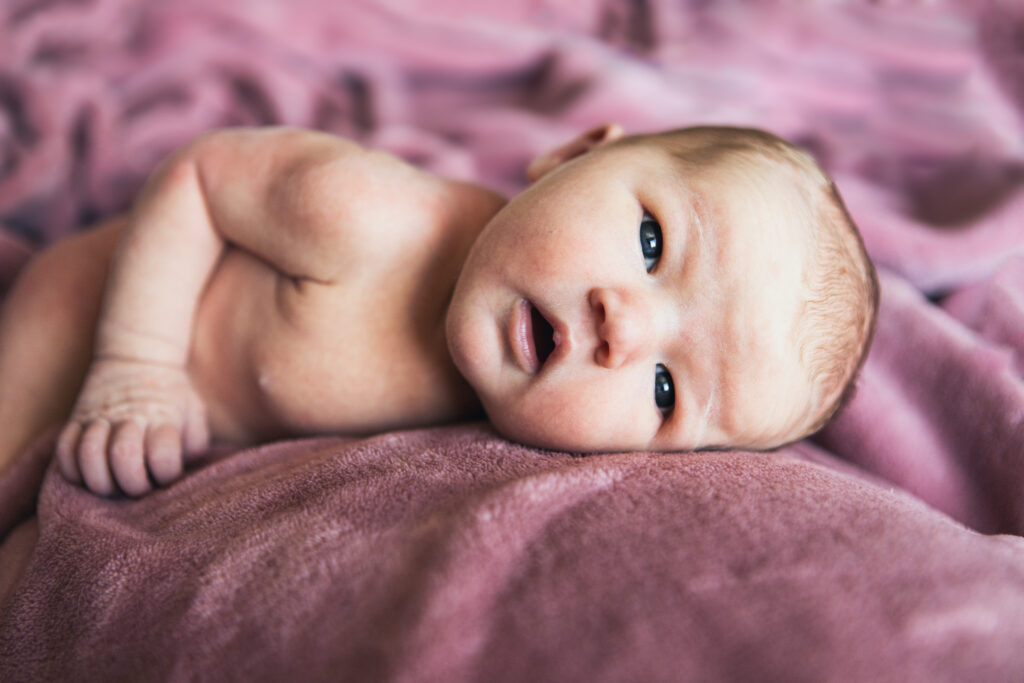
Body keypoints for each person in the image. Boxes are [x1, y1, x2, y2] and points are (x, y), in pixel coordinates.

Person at [0, 123, 878, 497]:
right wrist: (136, 363)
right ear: (573, 153)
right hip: (93, 314)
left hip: (190, 430)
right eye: (652, 244)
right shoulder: (370, 219)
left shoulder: (511, 434)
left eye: (663, 393)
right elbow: (198, 179)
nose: (626, 329)